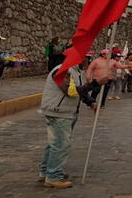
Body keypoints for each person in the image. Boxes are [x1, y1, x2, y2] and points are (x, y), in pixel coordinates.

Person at [38, 59, 106, 188]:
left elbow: (80, 92)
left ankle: (46, 170)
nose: (87, 61)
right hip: (59, 113)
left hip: (67, 112)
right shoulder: (62, 71)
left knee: (53, 144)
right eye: (85, 58)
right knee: (60, 145)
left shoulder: (75, 72)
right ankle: (53, 176)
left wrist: (90, 101)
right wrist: (96, 83)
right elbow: (71, 91)